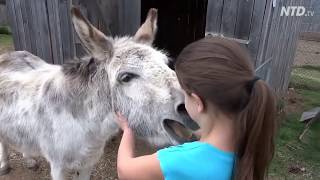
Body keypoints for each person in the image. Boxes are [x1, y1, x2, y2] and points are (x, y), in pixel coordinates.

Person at [115, 37, 277, 180]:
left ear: (198, 102)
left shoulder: (179, 160)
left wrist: (127, 130)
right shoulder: (250, 141)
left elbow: (125, 170)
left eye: (184, 94)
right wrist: (197, 133)